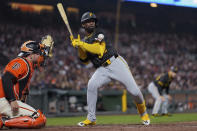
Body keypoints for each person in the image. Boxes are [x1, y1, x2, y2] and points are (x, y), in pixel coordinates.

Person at [70, 12, 150, 126]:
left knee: (135, 91)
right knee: (91, 85)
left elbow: (99, 50)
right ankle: (91, 118)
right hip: (102, 69)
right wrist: (78, 47)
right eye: (88, 21)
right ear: (83, 24)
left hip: (116, 63)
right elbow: (85, 60)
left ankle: (143, 113)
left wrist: (81, 44)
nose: (91, 22)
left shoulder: (99, 33)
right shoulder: (84, 41)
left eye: (93, 20)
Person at [0, 35, 54, 129]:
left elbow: (23, 93)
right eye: (39, 54)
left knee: (22, 121)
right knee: (39, 118)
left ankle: (3, 119)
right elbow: (6, 78)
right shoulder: (22, 62)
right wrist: (12, 101)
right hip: (4, 100)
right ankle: (2, 121)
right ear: (31, 54)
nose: (41, 56)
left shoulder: (28, 66)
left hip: (4, 101)